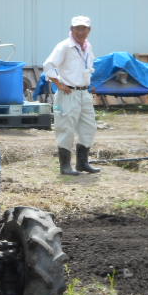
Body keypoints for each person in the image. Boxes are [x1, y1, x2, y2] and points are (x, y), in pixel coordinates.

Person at [44, 15, 100, 175]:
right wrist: (59, 83)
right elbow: (48, 65)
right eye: (77, 28)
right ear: (71, 29)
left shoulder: (88, 47)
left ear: (89, 30)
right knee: (65, 128)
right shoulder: (64, 46)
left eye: (84, 28)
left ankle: (82, 163)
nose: (80, 32)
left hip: (84, 93)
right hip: (67, 93)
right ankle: (65, 166)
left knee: (89, 127)